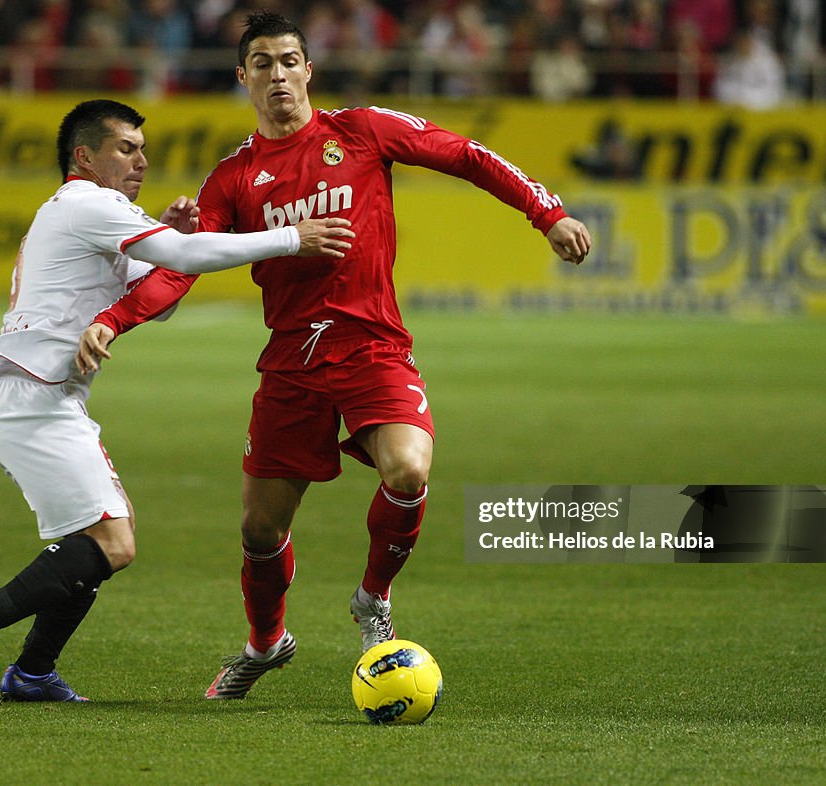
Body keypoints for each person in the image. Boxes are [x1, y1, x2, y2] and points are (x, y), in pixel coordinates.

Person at [76, 11, 591, 701]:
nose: (278, 74)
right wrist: (114, 319)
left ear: (309, 70)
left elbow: (465, 152)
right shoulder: (233, 178)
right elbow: (181, 266)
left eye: (289, 60)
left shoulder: (361, 130)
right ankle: (265, 644)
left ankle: (372, 598)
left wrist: (546, 212)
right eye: (262, 63)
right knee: (261, 528)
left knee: (408, 468)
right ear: (243, 78)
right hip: (291, 362)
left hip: (372, 345)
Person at [0, 98, 353, 710]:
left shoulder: (90, 213)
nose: (141, 160)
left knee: (94, 538)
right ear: (84, 156)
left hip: (31, 395)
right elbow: (186, 260)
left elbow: (165, 293)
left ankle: (32, 672)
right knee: (112, 542)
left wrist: (175, 234)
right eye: (125, 149)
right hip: (32, 395)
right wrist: (291, 236)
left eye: (142, 149)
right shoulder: (87, 203)